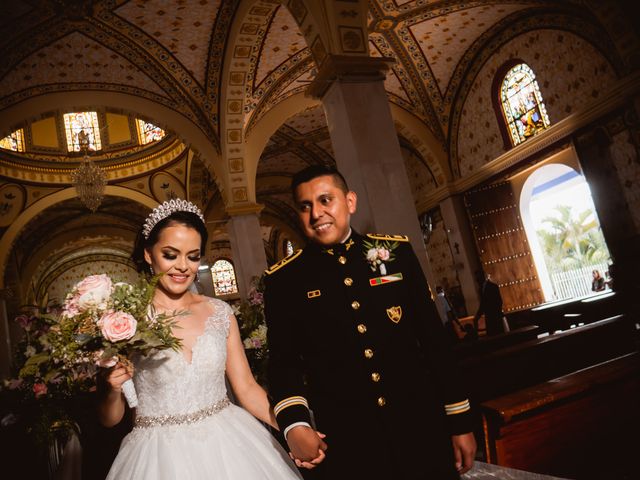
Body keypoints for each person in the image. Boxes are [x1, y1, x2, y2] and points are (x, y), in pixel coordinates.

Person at [263, 166, 476, 479]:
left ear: (350, 202)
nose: (316, 214)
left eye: (326, 200)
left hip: (419, 425)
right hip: (348, 439)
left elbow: (434, 341)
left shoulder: (396, 253)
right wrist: (296, 424)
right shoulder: (284, 280)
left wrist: (459, 421)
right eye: (305, 206)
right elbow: (283, 364)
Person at [99, 199, 304, 479]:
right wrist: (111, 388)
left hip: (230, 446)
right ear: (149, 254)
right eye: (171, 255)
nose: (183, 266)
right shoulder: (126, 322)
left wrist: (296, 428)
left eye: (193, 256)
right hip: (158, 457)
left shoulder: (219, 312)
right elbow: (110, 420)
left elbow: (246, 389)